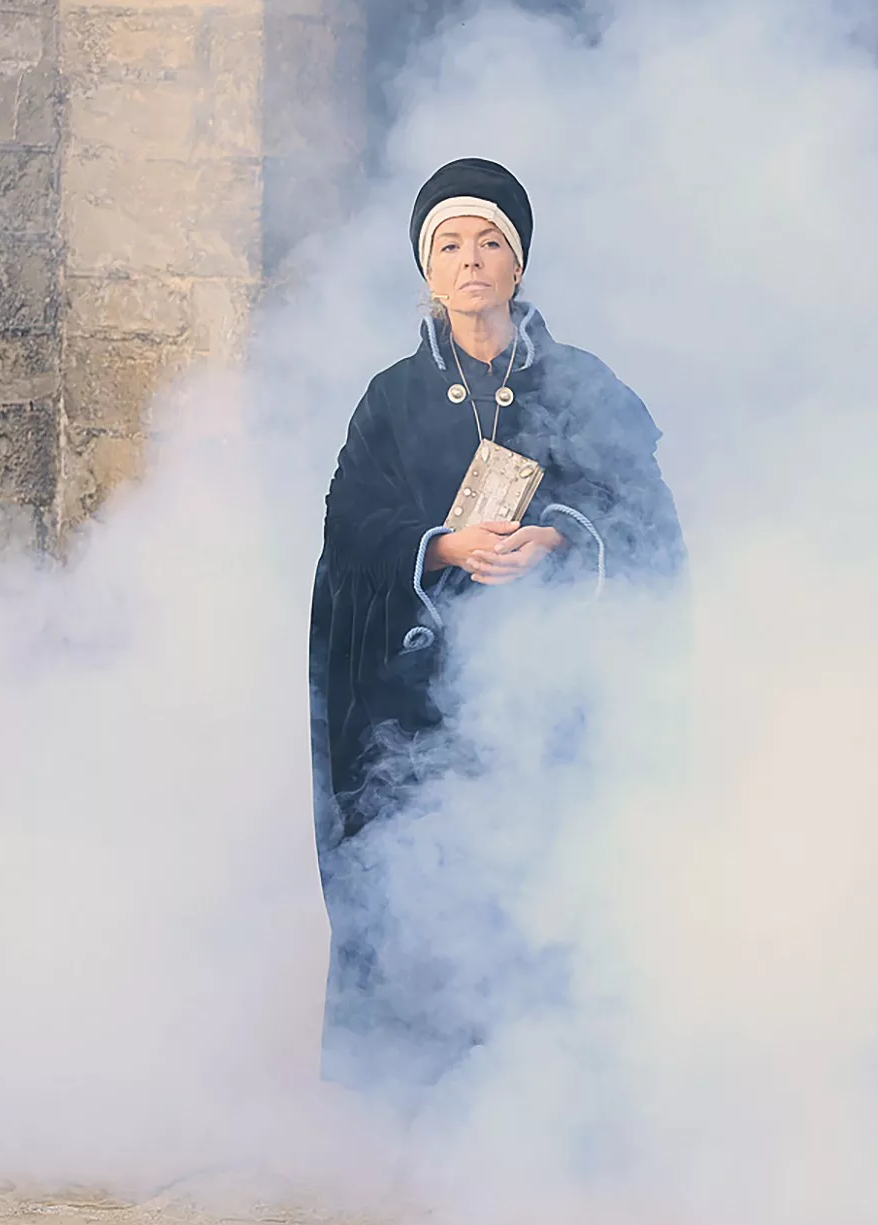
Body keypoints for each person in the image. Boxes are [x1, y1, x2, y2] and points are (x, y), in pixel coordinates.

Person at [307, 157, 685, 1090]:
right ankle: (407, 1094)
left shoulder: (582, 383)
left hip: (550, 694)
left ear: (518, 267)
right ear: (426, 271)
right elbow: (349, 524)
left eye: (489, 244)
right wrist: (444, 547)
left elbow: (643, 514)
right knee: (415, 876)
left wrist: (555, 541)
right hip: (414, 694)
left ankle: (547, 1086)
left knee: (546, 871)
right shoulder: (390, 398)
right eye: (449, 244)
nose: (469, 260)